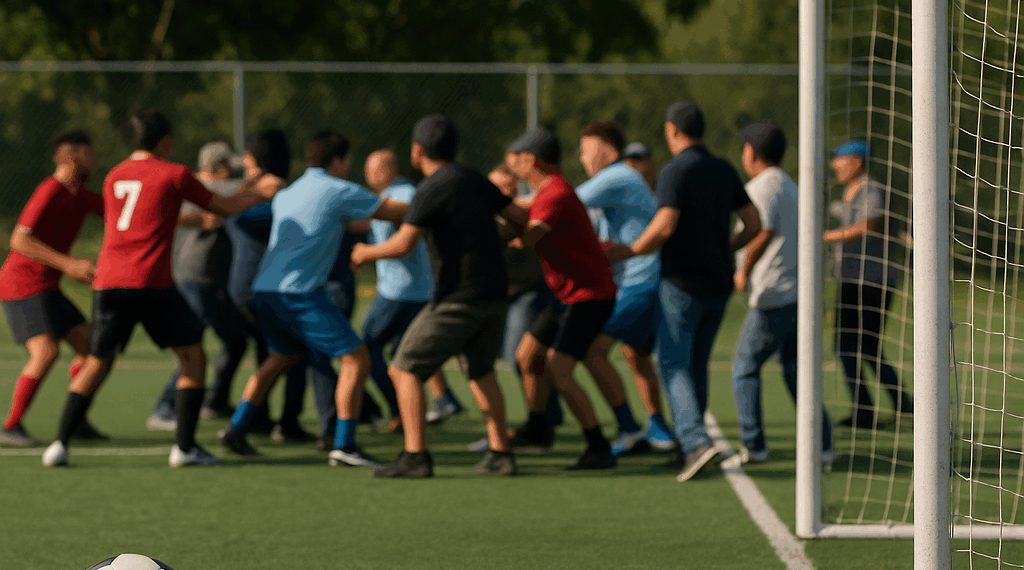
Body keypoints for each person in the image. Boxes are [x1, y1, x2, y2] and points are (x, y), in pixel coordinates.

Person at [41, 109, 280, 468]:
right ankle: (184, 448)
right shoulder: (174, 173)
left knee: (98, 362)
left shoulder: (114, 175)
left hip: (108, 281)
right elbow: (227, 207)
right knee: (193, 357)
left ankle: (58, 444)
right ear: (166, 141)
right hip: (151, 281)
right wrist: (261, 193)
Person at [217, 130, 408, 467]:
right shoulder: (339, 188)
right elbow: (395, 212)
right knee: (356, 358)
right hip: (300, 293)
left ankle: (236, 428)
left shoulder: (290, 191)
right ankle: (344, 445)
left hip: (267, 289)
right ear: (340, 162)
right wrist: (444, 203)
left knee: (280, 358)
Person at [351, 114, 520, 478]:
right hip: (494, 293)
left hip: (458, 297)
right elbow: (517, 218)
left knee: (403, 368)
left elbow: (403, 243)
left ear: (416, 151)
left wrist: (365, 253)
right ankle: (501, 453)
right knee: (481, 372)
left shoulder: (429, 188)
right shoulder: (472, 178)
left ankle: (415, 456)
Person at [607, 101, 761, 482]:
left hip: (682, 282)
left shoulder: (676, 169)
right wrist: (724, 247)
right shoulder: (723, 167)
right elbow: (753, 222)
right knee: (694, 365)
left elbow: (665, 224)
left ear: (671, 130)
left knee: (673, 363)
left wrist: (627, 250)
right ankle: (690, 444)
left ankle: (693, 442)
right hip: (718, 282)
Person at [504, 127, 619, 470]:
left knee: (558, 369)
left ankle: (598, 446)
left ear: (531, 160)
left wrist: (506, 237)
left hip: (590, 297)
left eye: (516, 158)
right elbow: (524, 208)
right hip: (569, 296)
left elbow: (532, 233)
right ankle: (538, 428)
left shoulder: (555, 193)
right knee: (527, 356)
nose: (511, 164)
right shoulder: (547, 190)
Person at [730, 120, 833, 463]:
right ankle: (824, 444)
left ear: (753, 152)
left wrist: (742, 268)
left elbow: (763, 232)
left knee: (745, 366)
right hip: (798, 293)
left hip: (774, 294)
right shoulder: (789, 185)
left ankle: (754, 444)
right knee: (795, 371)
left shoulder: (762, 186)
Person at [0, 131, 106, 447]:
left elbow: (123, 215)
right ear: (73, 156)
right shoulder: (50, 190)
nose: (94, 160)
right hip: (21, 285)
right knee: (46, 351)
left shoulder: (81, 195)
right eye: (90, 154)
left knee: (91, 347)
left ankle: (77, 420)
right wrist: (68, 264)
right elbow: (19, 240)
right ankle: (9, 427)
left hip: (47, 287)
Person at [576, 119, 675, 455]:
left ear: (607, 149)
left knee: (592, 350)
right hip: (636, 280)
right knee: (635, 354)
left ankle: (630, 428)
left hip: (640, 281)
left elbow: (562, 203)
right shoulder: (617, 182)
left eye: (586, 150)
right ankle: (659, 429)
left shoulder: (616, 176)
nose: (582, 159)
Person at [145, 141, 249, 431]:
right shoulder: (199, 188)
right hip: (195, 278)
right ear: (215, 168)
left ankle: (213, 402)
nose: (233, 174)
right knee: (192, 348)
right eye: (228, 168)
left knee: (235, 341)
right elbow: (233, 193)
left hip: (206, 279)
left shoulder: (199, 187)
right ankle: (165, 408)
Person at [357, 149, 452, 430]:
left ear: (391, 168)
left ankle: (402, 409)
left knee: (368, 348)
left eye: (374, 169)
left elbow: (403, 241)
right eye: (367, 169)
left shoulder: (406, 196)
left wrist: (366, 253)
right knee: (407, 353)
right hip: (407, 290)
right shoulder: (389, 196)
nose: (369, 175)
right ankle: (443, 400)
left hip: (403, 291)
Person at [825, 139, 913, 428]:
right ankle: (879, 408)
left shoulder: (871, 190)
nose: (834, 164)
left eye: (840, 158)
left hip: (872, 281)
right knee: (851, 345)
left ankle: (893, 408)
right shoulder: (847, 194)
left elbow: (867, 226)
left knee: (863, 345)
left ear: (857, 161)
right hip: (850, 279)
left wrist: (824, 236)